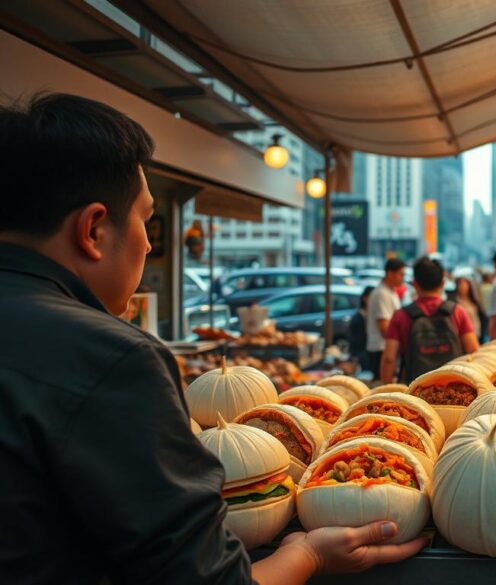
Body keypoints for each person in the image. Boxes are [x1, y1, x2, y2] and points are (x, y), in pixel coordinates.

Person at [0, 93, 425, 584]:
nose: (146, 242)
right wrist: (308, 555)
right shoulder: (114, 358)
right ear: (94, 229)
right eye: (145, 219)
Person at [381, 257, 480, 383]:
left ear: (415, 284)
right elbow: (473, 351)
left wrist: (387, 388)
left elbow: (389, 359)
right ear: (443, 284)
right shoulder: (457, 312)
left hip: (414, 391)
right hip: (453, 389)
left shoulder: (401, 315)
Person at [366, 258, 405, 379]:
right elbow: (385, 328)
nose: (403, 278)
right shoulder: (381, 294)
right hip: (381, 350)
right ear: (390, 274)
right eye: (401, 274)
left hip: (387, 348)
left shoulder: (390, 292)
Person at [349, 286, 374, 374]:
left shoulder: (370, 315)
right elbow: (356, 341)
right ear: (365, 298)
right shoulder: (359, 317)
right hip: (362, 358)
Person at [453, 276, 485, 341]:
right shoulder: (454, 303)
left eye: (465, 284)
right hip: (464, 336)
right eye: (460, 284)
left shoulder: (474, 301)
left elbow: (481, 317)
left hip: (477, 332)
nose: (462, 287)